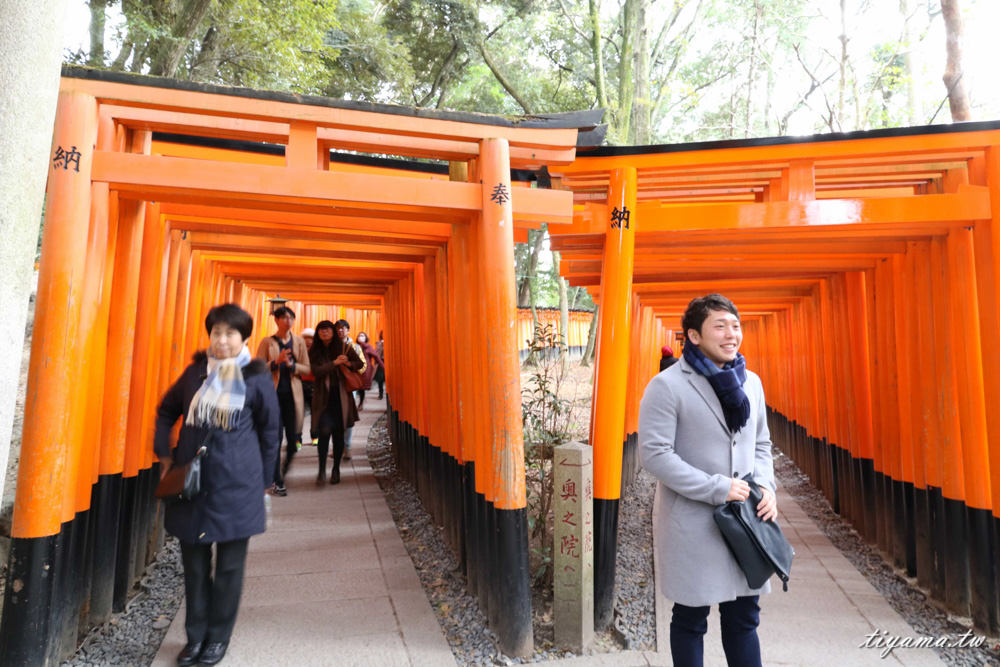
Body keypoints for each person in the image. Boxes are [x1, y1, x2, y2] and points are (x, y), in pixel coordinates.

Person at [638, 294, 776, 667]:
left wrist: (767, 489)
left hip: (747, 518)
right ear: (694, 336)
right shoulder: (667, 386)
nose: (732, 334)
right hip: (693, 521)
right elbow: (654, 454)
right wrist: (715, 487)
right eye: (720, 325)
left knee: (745, 617)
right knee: (690, 619)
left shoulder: (752, 384)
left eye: (736, 325)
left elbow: (761, 444)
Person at [154, 303, 280, 666]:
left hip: (237, 482)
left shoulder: (255, 378)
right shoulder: (195, 373)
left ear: (243, 338)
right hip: (192, 483)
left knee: (228, 568)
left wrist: (267, 479)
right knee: (193, 565)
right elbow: (166, 411)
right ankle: (195, 636)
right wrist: (164, 454)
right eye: (216, 333)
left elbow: (271, 431)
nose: (222, 340)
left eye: (230, 334)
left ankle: (218, 639)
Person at [255, 307, 310, 496]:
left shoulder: (299, 342)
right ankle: (277, 480)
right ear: (276, 320)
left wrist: (292, 366)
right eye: (284, 318)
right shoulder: (267, 342)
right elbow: (257, 367)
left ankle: (282, 471)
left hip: (293, 396)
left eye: (291, 318)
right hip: (273, 397)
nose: (288, 321)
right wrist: (275, 362)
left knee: (294, 439)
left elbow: (306, 368)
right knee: (275, 439)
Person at [308, 319, 364, 484]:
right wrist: (334, 363)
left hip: (340, 397)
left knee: (338, 434)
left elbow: (359, 364)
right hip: (323, 397)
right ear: (318, 334)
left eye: (327, 329)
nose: (325, 332)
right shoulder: (315, 351)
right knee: (324, 432)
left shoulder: (343, 347)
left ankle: (336, 469)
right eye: (321, 330)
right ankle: (321, 470)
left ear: (333, 332)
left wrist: (347, 362)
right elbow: (316, 371)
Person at [335, 320, 366, 461]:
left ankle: (346, 447)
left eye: (343, 328)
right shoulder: (331, 346)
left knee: (347, 416)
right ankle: (339, 447)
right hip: (334, 384)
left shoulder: (354, 347)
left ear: (348, 330)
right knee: (336, 417)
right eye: (338, 329)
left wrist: (348, 365)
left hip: (348, 385)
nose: (340, 331)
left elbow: (362, 365)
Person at [354, 331, 384, 411]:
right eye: (359, 335)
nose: (361, 337)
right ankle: (361, 401)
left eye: (363, 336)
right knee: (358, 386)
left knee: (362, 386)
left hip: (366, 370)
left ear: (366, 338)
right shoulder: (355, 347)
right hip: (357, 369)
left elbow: (377, 357)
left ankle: (361, 402)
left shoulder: (368, 347)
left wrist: (383, 367)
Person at [374, 330, 386, 400]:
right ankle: (380, 393)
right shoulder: (379, 343)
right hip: (381, 361)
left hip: (389, 362)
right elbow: (377, 352)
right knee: (380, 379)